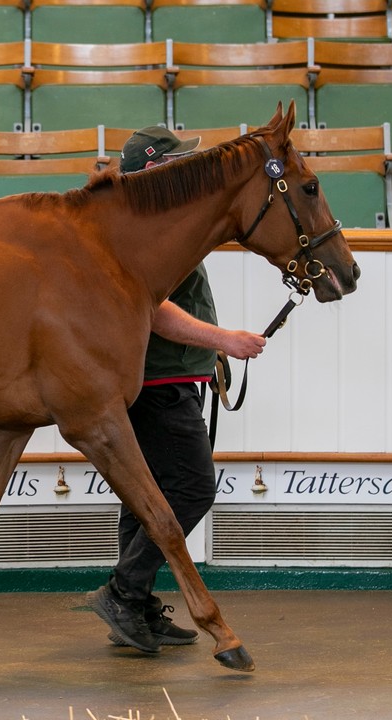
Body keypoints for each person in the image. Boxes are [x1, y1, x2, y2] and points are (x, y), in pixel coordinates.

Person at [86, 126, 267, 654]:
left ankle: (135, 606)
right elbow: (155, 310)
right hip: (161, 379)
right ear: (152, 172)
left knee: (145, 495)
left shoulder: (156, 222)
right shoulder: (145, 230)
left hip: (167, 375)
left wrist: (210, 353)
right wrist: (223, 340)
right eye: (175, 163)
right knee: (192, 488)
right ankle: (124, 592)